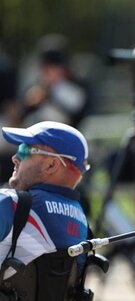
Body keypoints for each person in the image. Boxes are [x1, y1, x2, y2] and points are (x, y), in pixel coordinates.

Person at [0, 121, 90, 275]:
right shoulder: (82, 224)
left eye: (24, 150)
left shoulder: (10, 203)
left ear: (51, 165)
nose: (15, 158)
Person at [20, 34, 90, 128]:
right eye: (45, 69)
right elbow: (23, 115)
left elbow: (76, 114)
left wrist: (49, 94)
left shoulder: (76, 86)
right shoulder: (36, 86)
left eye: (52, 68)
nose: (48, 73)